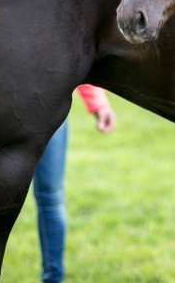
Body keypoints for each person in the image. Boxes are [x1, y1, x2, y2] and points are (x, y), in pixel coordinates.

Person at [33, 84, 116, 283]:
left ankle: (53, 278)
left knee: (50, 199)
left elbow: (71, 53)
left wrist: (99, 103)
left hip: (48, 108)